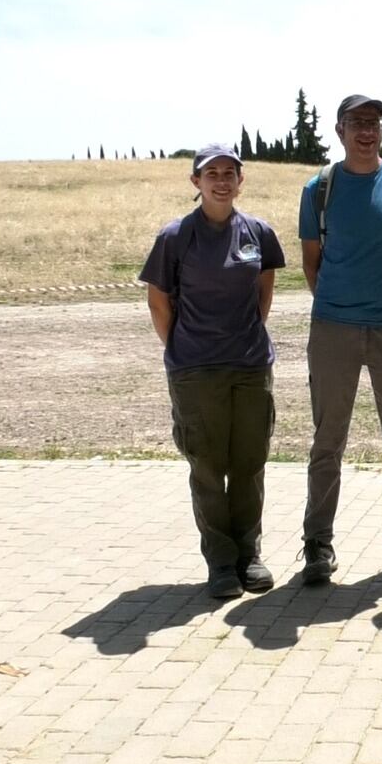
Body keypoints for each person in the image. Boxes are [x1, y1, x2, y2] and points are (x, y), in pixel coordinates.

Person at [296, 94, 382, 585]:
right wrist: (341, 306)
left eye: (374, 123)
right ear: (339, 130)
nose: (367, 130)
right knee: (327, 441)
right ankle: (317, 544)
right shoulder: (320, 189)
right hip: (333, 329)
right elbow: (312, 262)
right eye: (357, 122)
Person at [140, 143, 286, 599]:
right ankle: (221, 563)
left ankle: (249, 556)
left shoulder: (258, 232)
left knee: (249, 463)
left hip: (249, 366)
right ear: (196, 182)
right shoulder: (175, 237)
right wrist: (182, 348)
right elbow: (158, 300)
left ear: (241, 181)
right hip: (195, 368)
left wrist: (245, 336)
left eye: (230, 173)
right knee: (206, 466)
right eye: (212, 174)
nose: (221, 181)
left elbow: (263, 291)